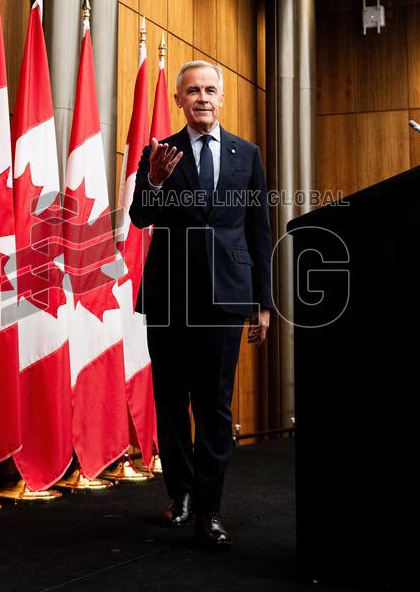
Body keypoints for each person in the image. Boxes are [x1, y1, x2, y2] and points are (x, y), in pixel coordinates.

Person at [129, 60, 273, 549]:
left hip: (226, 297)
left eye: (211, 90)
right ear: (179, 100)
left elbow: (258, 231)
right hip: (169, 297)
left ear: (222, 96)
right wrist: (150, 181)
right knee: (171, 404)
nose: (203, 98)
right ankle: (181, 494)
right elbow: (139, 218)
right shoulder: (160, 153)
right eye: (193, 91)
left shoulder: (246, 154)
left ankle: (210, 509)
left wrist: (263, 302)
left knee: (213, 408)